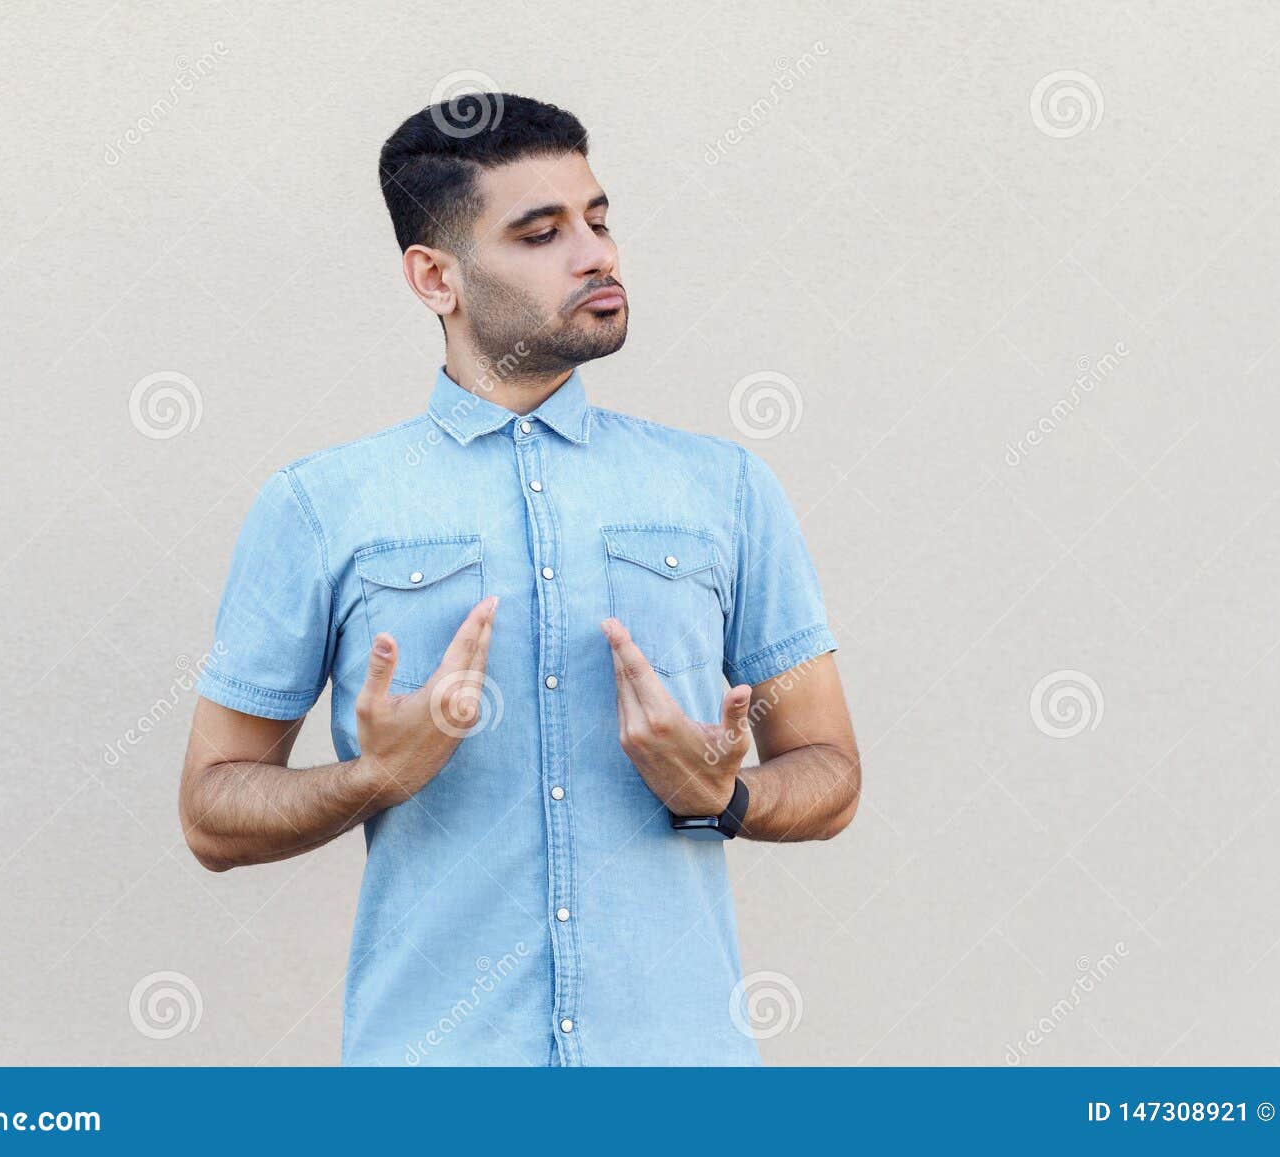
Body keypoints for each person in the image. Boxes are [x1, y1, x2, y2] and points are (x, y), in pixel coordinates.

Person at [178, 92, 861, 1065]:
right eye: (541, 233)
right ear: (435, 277)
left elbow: (830, 771)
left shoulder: (726, 488)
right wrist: (374, 775)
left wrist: (726, 794)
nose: (596, 254)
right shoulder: (317, 505)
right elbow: (212, 811)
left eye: (598, 219)